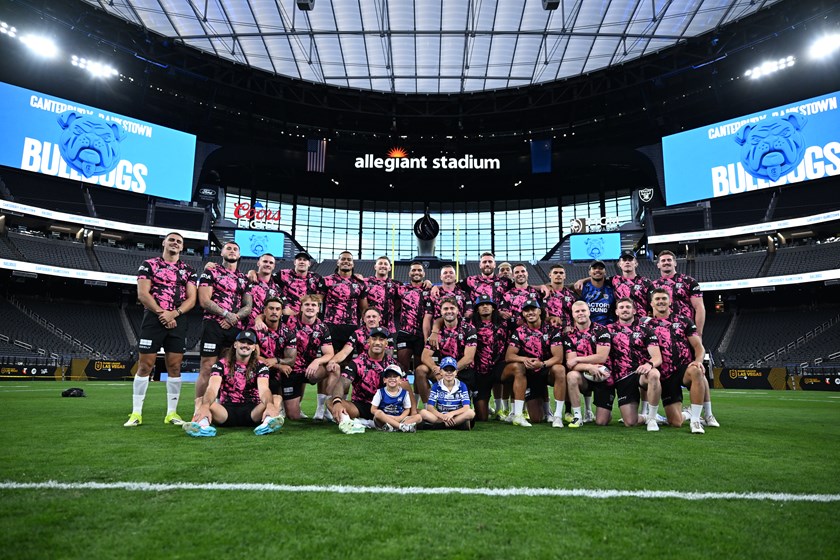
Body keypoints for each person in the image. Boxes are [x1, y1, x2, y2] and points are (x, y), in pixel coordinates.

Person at [125, 232, 197, 427]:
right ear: (164, 243)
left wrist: (174, 314)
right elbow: (142, 293)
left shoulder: (189, 270)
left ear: (182, 247)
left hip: (178, 320)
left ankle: (171, 413)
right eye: (171, 240)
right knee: (145, 366)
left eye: (179, 242)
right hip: (153, 319)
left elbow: (192, 299)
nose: (175, 243)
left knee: (174, 367)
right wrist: (162, 313)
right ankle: (136, 413)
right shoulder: (149, 264)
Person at [641, 289, 718, 434]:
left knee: (696, 370)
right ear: (651, 303)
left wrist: (698, 361)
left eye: (664, 298)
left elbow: (698, 347)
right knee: (675, 422)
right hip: (662, 374)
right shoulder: (645, 325)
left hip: (682, 369)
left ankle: (695, 421)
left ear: (670, 301)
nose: (661, 301)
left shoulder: (683, 321)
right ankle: (688, 413)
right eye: (657, 299)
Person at [183, 329, 282, 437]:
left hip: (253, 412)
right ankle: (203, 426)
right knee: (200, 400)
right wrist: (206, 406)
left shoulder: (261, 366)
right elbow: (212, 389)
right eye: (242, 342)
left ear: (254, 347)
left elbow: (264, 390)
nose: (245, 345)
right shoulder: (220, 365)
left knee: (276, 399)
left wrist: (269, 405)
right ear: (235, 344)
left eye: (249, 343)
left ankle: (267, 424)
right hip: (226, 412)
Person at [196, 241, 253, 403]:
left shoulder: (244, 279)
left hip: (235, 327)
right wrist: (226, 314)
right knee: (207, 367)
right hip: (213, 325)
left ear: (239, 255)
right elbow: (204, 300)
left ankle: (221, 405)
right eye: (228, 248)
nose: (232, 251)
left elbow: (248, 306)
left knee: (228, 368)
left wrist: (233, 318)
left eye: (236, 249)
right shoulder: (211, 272)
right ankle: (199, 409)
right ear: (221, 253)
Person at [502, 300, 566, 427]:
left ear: (539, 311)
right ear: (523, 314)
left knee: (559, 369)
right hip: (529, 373)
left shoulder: (552, 330)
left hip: (545, 369)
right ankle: (536, 411)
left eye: (533, 309)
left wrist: (542, 364)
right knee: (536, 418)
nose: (530, 312)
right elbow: (509, 356)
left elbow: (558, 357)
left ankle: (558, 416)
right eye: (526, 310)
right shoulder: (519, 331)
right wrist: (525, 359)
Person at [328, 327, 399, 434]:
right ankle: (348, 423)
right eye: (374, 339)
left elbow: (405, 387)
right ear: (368, 342)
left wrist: (411, 411)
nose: (377, 343)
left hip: (385, 406)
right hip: (361, 406)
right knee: (331, 402)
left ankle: (364, 423)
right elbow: (342, 382)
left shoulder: (393, 364)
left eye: (381, 340)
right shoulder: (357, 362)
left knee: (417, 415)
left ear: (386, 343)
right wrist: (337, 401)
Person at [606, 297, 662, 431]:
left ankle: (653, 419)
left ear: (634, 310)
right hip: (622, 377)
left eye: (628, 307)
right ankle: (647, 417)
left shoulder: (645, 330)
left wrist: (648, 365)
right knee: (630, 422)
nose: (625, 310)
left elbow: (657, 357)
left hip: (640, 372)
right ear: (616, 312)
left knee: (654, 374)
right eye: (621, 307)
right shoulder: (608, 330)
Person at [415, 297, 477, 405]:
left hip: (462, 371)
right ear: (441, 312)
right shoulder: (436, 332)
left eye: (452, 308)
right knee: (421, 370)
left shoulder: (469, 329)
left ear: (458, 310)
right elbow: (425, 356)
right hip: (441, 371)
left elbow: (469, 358)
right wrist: (436, 369)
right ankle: (428, 408)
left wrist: (451, 372)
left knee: (468, 417)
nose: (449, 311)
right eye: (445, 309)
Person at [283, 294, 334, 419]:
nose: (310, 307)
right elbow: (267, 315)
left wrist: (317, 361)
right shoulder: (287, 320)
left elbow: (329, 353)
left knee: (333, 367)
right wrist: (258, 320)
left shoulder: (322, 327)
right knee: (293, 416)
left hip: (309, 370)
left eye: (313, 305)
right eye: (307, 304)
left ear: (318, 309)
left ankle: (326, 406)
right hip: (290, 369)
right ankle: (281, 405)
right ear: (301, 307)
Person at [563, 301, 612, 428]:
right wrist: (588, 366)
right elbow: (570, 364)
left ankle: (604, 411)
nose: (581, 314)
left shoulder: (601, 330)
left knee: (602, 422)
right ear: (573, 315)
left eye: (583, 310)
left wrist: (578, 359)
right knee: (571, 376)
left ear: (589, 312)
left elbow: (602, 357)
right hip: (584, 376)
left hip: (602, 375)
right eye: (577, 311)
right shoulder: (570, 335)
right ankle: (578, 416)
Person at [253, 297, 297, 419]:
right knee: (264, 370)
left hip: (279, 372)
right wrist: (278, 364)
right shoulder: (255, 330)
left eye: (278, 309)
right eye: (271, 308)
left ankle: (279, 406)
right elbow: (254, 357)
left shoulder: (288, 332)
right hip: (259, 369)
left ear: (281, 312)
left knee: (294, 415)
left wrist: (277, 361)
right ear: (265, 311)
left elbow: (291, 360)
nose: (274, 311)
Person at [575, 250, 652, 318]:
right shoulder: (615, 280)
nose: (627, 262)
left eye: (630, 260)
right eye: (624, 260)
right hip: (621, 323)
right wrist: (582, 280)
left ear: (636, 263)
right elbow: (599, 277)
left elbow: (652, 304)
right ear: (619, 264)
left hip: (641, 322)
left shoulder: (646, 282)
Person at [317, 251, 368, 352]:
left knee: (345, 361)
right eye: (343, 259)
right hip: (330, 325)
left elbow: (364, 309)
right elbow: (317, 302)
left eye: (349, 259)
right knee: (329, 360)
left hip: (351, 326)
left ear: (353, 264)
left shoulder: (360, 283)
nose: (346, 261)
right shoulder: (326, 280)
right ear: (338, 262)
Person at [470, 294, 509, 422]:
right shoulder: (469, 325)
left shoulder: (504, 323)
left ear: (493, 308)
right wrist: (435, 329)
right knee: (482, 417)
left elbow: (528, 320)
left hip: (499, 367)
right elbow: (443, 319)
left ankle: (515, 411)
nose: (485, 306)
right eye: (481, 305)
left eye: (488, 304)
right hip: (480, 371)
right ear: (477, 309)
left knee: (517, 370)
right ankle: (484, 407)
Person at [651, 250, 706, 335]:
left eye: (669, 260)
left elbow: (699, 308)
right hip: (663, 332)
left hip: (686, 331)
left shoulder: (689, 281)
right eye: (663, 260)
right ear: (658, 265)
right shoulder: (653, 285)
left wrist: (698, 333)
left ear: (675, 263)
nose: (666, 262)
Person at [419, 357, 475, 430]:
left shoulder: (462, 385)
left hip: (456, 415)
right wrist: (442, 416)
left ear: (456, 372)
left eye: (452, 370)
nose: (449, 372)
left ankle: (439, 426)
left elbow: (466, 407)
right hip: (441, 416)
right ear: (441, 372)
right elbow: (430, 407)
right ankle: (456, 425)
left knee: (470, 413)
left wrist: (452, 414)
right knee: (423, 412)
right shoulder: (436, 386)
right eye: (446, 370)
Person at [395, 261, 432, 375]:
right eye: (414, 270)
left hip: (422, 334)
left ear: (424, 274)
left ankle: (417, 394)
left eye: (419, 270)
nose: (417, 272)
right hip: (405, 333)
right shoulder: (401, 289)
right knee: (402, 368)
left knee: (420, 369)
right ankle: (403, 392)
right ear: (409, 273)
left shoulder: (430, 290)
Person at [371, 364, 422, 432]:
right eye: (389, 376)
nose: (392, 378)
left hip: (399, 417)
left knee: (418, 417)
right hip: (385, 418)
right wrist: (387, 417)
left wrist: (399, 418)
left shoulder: (405, 393)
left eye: (395, 376)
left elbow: (407, 409)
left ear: (400, 380)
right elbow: (373, 409)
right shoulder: (380, 392)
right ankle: (401, 427)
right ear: (384, 380)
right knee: (378, 413)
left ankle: (396, 427)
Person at [275, 251, 322, 317]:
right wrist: (284, 305)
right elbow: (268, 283)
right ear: (295, 262)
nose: (302, 262)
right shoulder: (283, 274)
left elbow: (322, 296)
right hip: (287, 315)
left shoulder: (316, 278)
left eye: (305, 260)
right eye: (299, 259)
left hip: (307, 316)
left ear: (309, 264)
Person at [365, 256, 400, 334]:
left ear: (389, 268)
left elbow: (399, 302)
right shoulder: (365, 282)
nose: (383, 266)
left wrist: (427, 282)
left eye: (385, 264)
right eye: (380, 263)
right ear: (375, 267)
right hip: (369, 325)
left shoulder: (396, 284)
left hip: (389, 326)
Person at [577, 260, 616, 326]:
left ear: (605, 272)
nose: (597, 270)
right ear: (589, 272)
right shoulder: (582, 288)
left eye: (601, 268)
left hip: (607, 329)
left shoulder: (612, 288)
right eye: (594, 268)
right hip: (588, 329)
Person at [543, 264, 578, 332]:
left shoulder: (571, 295)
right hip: (548, 331)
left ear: (564, 276)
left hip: (567, 331)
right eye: (555, 273)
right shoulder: (543, 293)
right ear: (550, 275)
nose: (558, 275)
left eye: (561, 273)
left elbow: (575, 315)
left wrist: (574, 329)